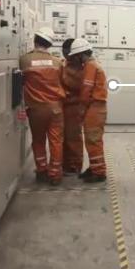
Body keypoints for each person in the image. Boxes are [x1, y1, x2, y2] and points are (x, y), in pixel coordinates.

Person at [20, 27, 67, 185]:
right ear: (50, 44)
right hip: (55, 108)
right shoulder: (57, 62)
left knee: (38, 140)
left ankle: (41, 170)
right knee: (56, 141)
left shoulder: (24, 60)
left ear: (35, 41)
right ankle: (55, 174)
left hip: (36, 109)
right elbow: (63, 81)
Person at [67, 40, 108, 182]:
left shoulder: (90, 66)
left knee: (93, 141)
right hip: (97, 107)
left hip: (94, 107)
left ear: (81, 55)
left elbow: (86, 91)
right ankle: (95, 167)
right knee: (92, 140)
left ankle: (99, 172)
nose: (75, 59)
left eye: (76, 56)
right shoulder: (94, 65)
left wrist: (81, 110)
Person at [60, 38, 86, 177]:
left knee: (73, 137)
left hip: (74, 107)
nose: (65, 55)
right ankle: (65, 165)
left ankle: (74, 166)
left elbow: (74, 84)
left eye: (66, 53)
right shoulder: (66, 64)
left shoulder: (82, 68)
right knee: (63, 137)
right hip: (64, 106)